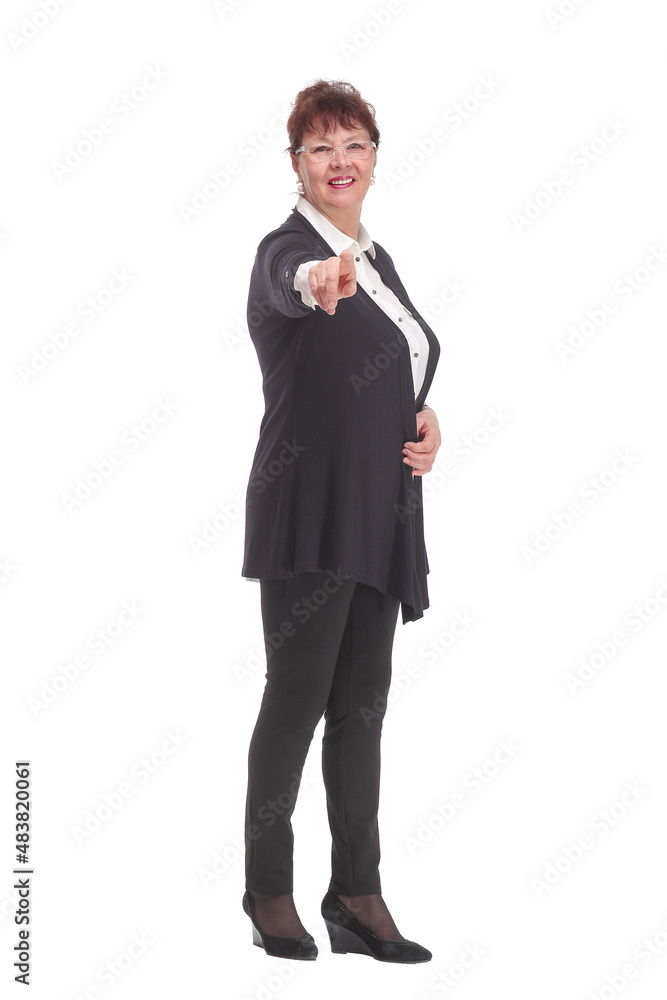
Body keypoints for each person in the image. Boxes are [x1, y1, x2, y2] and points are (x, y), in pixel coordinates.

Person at [241, 79, 441, 963]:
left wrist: (425, 415)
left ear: (373, 158)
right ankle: (268, 889)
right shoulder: (287, 251)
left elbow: (400, 358)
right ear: (295, 165)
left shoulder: (382, 259)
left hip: (380, 509)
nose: (339, 161)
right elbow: (294, 290)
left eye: (353, 144)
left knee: (363, 709)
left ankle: (356, 894)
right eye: (320, 148)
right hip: (310, 507)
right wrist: (315, 279)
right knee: (297, 704)